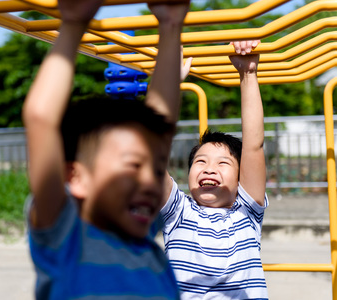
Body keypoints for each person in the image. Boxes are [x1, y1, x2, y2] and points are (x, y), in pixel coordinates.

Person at [22, 0, 190, 299]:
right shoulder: (68, 237)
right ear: (76, 177)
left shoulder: (146, 248)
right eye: (132, 167)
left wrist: (171, 24)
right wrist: (73, 24)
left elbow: (161, 131)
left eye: (155, 169)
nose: (151, 182)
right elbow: (40, 119)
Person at [160, 40, 269, 299]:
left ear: (241, 177)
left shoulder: (247, 211)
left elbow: (253, 145)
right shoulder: (177, 212)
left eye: (223, 163)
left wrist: (248, 74)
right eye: (200, 162)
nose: (209, 169)